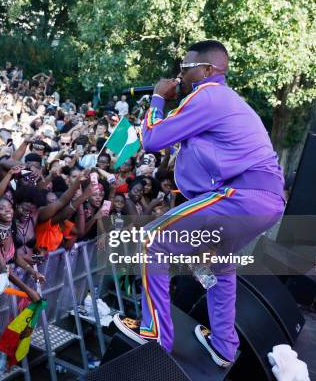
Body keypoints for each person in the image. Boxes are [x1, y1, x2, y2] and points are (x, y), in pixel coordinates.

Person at [113, 40, 285, 368]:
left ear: (207, 70)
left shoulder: (207, 95)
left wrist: (159, 98)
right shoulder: (224, 101)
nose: (179, 75)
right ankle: (223, 345)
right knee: (221, 265)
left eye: (184, 68)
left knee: (152, 241)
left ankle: (156, 335)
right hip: (267, 201)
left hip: (241, 196)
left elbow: (151, 139)